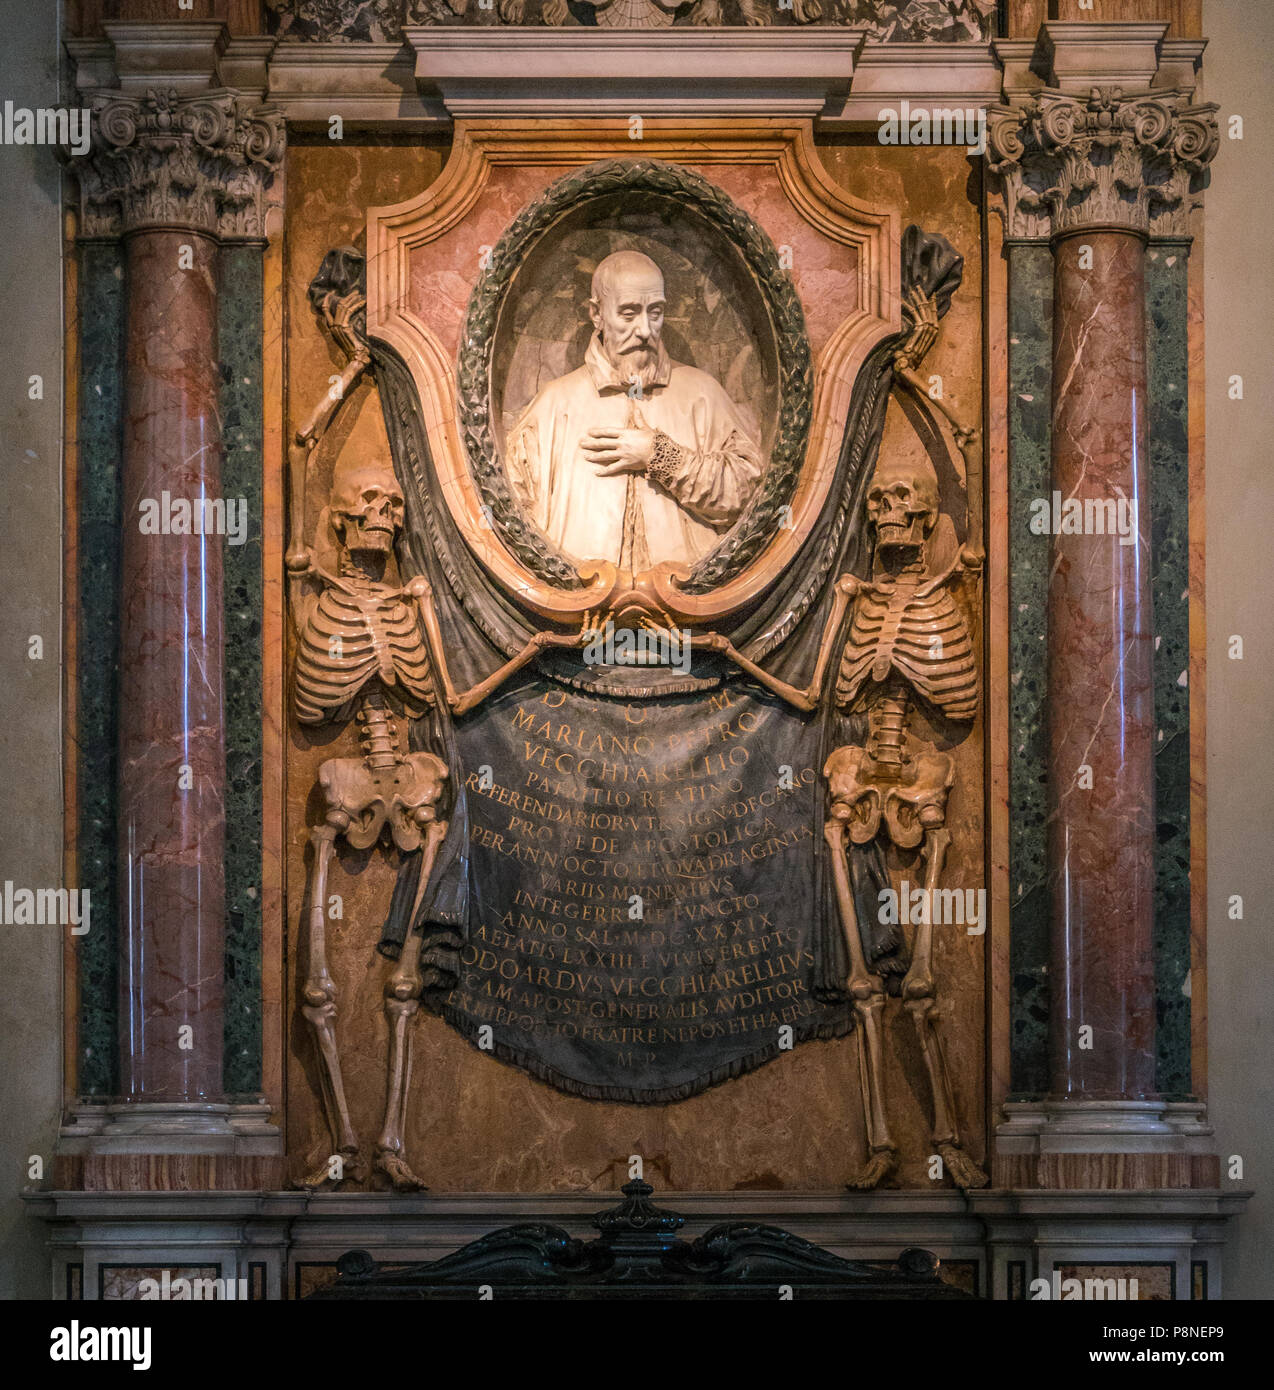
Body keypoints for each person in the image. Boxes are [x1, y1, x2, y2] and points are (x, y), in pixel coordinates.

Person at [504, 250, 763, 571]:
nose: (644, 330)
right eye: (628, 313)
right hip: (575, 604)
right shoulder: (555, 404)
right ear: (596, 314)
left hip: (690, 603)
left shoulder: (701, 393)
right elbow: (514, 513)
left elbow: (746, 495)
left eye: (655, 312)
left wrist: (662, 456)